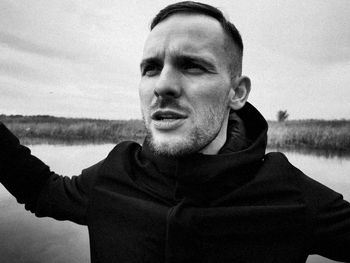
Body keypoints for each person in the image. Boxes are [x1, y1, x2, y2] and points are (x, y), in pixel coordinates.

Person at [1, 1, 349, 262]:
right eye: (151, 68)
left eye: (193, 65)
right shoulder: (116, 173)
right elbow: (41, 191)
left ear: (237, 92)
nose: (163, 85)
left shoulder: (291, 194)